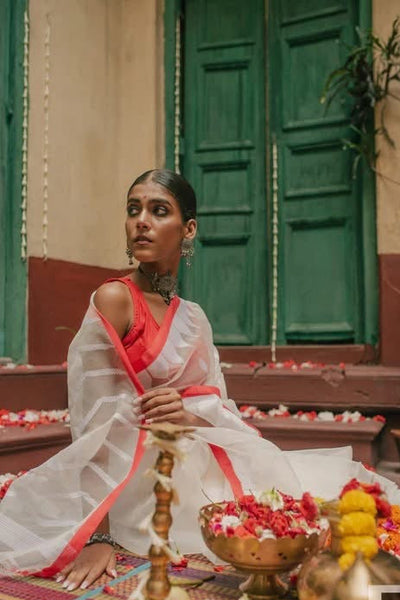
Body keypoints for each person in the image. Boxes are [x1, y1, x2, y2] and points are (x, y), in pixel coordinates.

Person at [0, 169, 399, 592]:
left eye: (159, 211)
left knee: (300, 504)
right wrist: (97, 535)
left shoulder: (193, 317)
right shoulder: (115, 299)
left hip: (193, 456)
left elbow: (218, 403)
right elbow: (92, 420)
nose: (142, 221)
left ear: (188, 228)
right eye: (134, 209)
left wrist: (187, 407)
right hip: (135, 476)